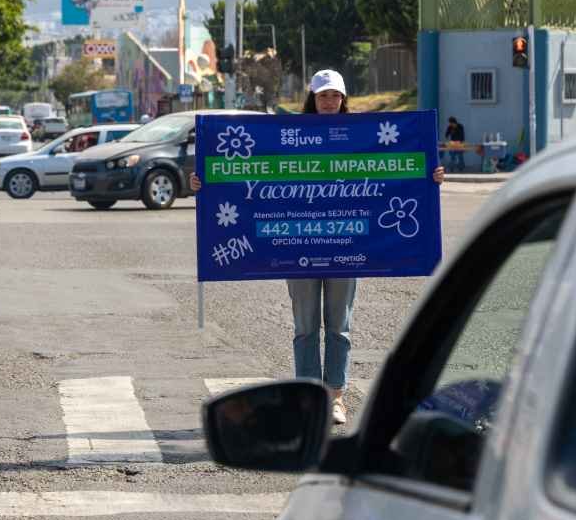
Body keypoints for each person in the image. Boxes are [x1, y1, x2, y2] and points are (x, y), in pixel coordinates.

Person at [190, 69, 444, 425]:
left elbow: (400, 172)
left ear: (343, 99)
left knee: (339, 326)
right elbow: (234, 170)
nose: (329, 101)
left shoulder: (363, 135)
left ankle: (336, 396)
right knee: (306, 327)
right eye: (323, 95)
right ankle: (309, 398)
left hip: (347, 250)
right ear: (312, 98)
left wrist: (429, 176)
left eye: (335, 95)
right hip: (297, 251)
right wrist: (204, 181)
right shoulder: (284, 135)